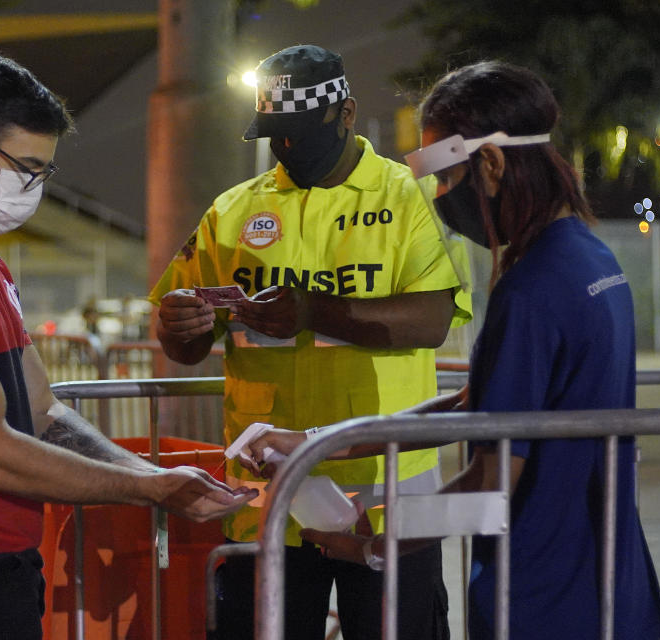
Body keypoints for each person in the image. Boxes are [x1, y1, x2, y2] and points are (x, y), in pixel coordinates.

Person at [0, 53, 257, 640]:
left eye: (43, 173)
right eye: (25, 167)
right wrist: (146, 488)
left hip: (0, 565)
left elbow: (43, 411)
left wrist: (154, 474)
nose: (34, 187)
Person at [246, 61, 660, 640]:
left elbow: (487, 486)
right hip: (612, 590)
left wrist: (374, 547)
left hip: (540, 600)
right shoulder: (593, 261)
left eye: (443, 175)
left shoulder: (530, 291)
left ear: (490, 162)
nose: (442, 196)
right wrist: (322, 444)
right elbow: (478, 403)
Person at [149, 44, 472, 640]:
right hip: (268, 490)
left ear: (345, 113)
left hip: (388, 488)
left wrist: (312, 311)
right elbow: (183, 337)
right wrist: (180, 330)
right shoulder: (233, 210)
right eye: (276, 134)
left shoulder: (409, 199)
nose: (288, 147)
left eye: (299, 131)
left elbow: (432, 320)